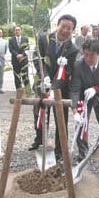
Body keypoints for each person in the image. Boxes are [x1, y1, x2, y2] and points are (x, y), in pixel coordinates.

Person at [38, 14, 79, 161]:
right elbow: (39, 59)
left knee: (61, 118)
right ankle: (39, 139)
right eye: (63, 26)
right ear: (58, 25)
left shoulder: (73, 49)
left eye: (69, 28)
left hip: (61, 88)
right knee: (40, 111)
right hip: (43, 82)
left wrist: (53, 88)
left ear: (72, 30)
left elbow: (67, 72)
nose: (65, 30)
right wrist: (43, 77)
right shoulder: (44, 39)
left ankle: (60, 149)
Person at [70, 38, 99, 162]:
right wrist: (75, 111)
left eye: (91, 55)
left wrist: (97, 88)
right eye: (85, 55)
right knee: (82, 124)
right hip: (84, 97)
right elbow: (75, 89)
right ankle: (83, 154)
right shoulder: (78, 64)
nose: (88, 58)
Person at [9, 25, 31, 94]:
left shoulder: (25, 39)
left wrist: (22, 55)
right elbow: (11, 49)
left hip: (24, 60)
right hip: (15, 60)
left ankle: (28, 90)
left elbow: (27, 48)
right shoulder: (11, 40)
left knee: (25, 75)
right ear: (14, 31)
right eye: (16, 30)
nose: (17, 31)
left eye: (19, 30)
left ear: (21, 31)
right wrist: (17, 55)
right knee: (17, 76)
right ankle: (19, 90)